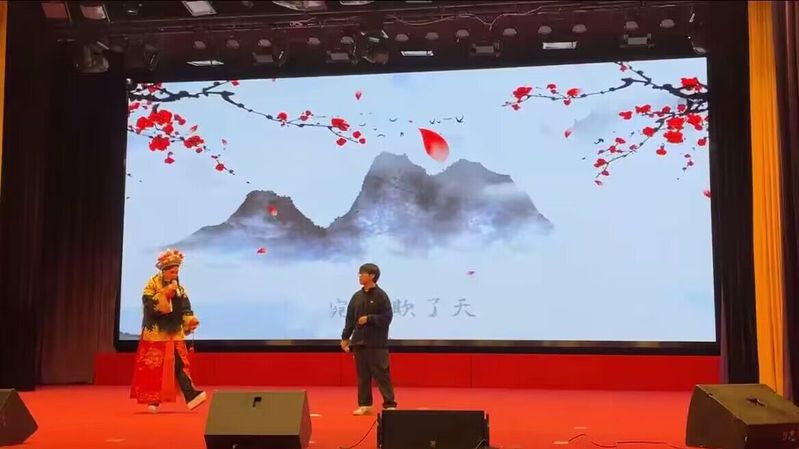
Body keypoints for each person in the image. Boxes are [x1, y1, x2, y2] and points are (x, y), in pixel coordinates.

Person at [129, 249, 207, 413]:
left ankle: (191, 395)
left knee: (180, 364)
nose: (175, 275)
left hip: (174, 333)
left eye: (177, 272)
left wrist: (190, 320)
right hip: (156, 334)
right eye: (172, 272)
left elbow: (185, 308)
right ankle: (153, 400)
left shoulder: (180, 289)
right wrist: (165, 295)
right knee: (154, 367)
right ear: (164, 271)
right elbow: (149, 307)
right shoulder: (152, 285)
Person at [340, 263, 397, 415]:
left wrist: (369, 319)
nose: (360, 276)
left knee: (382, 374)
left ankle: (389, 404)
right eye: (359, 273)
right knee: (363, 376)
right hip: (359, 342)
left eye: (363, 273)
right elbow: (350, 319)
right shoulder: (356, 297)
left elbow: (387, 318)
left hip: (377, 343)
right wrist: (345, 337)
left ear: (372, 276)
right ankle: (364, 405)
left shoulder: (381, 296)